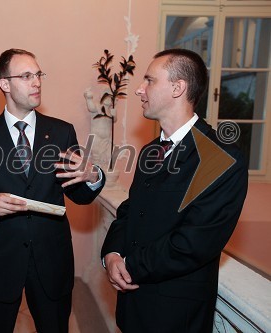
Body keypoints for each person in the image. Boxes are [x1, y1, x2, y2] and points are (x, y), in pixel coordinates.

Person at [100, 48, 248, 333]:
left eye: (149, 81)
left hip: (175, 316)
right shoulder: (150, 151)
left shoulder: (220, 158)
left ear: (178, 88)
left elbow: (193, 243)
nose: (139, 90)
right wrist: (112, 253)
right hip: (132, 308)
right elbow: (130, 211)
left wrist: (130, 264)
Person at [0, 48, 105, 332]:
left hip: (51, 261)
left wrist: (92, 176)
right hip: (1, 261)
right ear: (5, 84)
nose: (36, 82)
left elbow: (79, 195)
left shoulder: (62, 132)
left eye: (38, 74)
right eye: (26, 76)